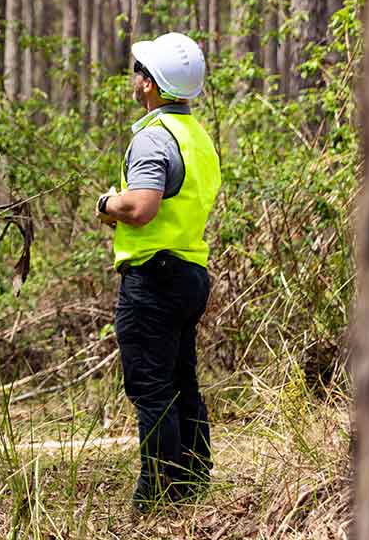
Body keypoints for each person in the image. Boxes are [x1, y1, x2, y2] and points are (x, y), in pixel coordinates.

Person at [95, 31, 222, 509]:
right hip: (190, 273)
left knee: (151, 387)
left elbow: (143, 205)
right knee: (180, 378)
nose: (134, 79)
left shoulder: (154, 138)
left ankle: (157, 496)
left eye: (138, 71)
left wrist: (108, 202)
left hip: (153, 277)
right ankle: (192, 482)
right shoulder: (198, 139)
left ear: (150, 84)